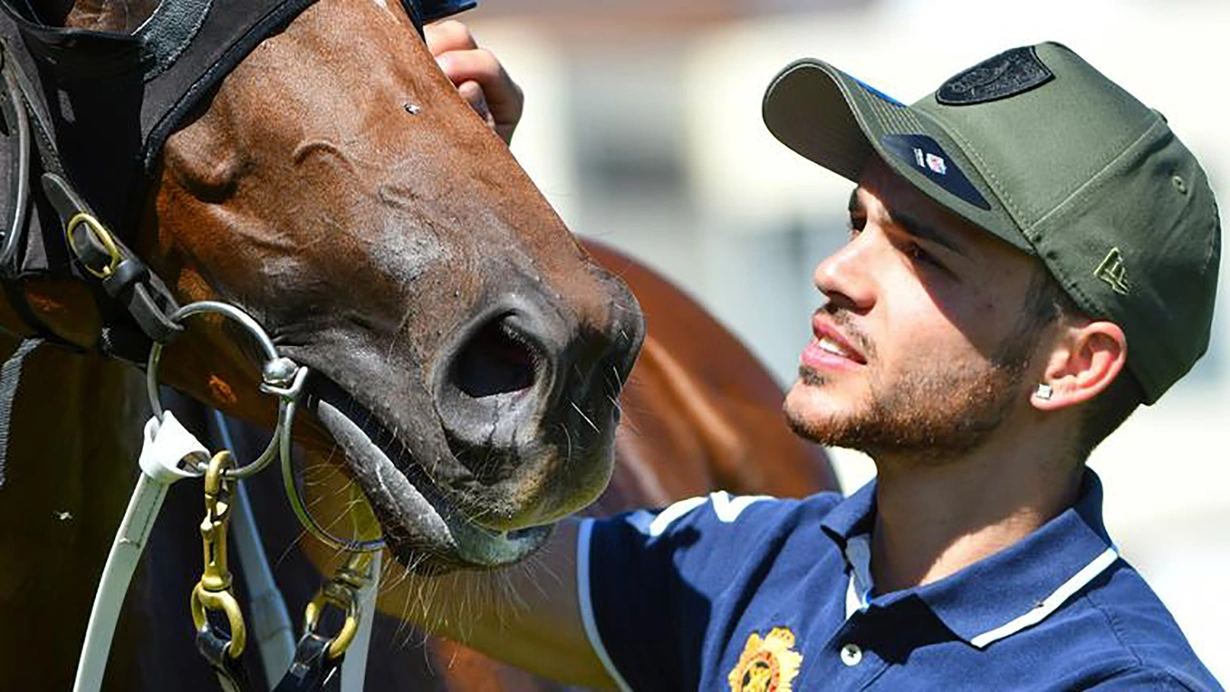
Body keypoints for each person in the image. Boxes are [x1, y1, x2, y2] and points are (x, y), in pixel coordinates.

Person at [426, 23, 1223, 691]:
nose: (836, 272)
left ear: (1073, 366)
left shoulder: (1114, 681)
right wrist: (460, 211)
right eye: (858, 224)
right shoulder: (754, 560)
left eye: (923, 254)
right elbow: (387, 545)